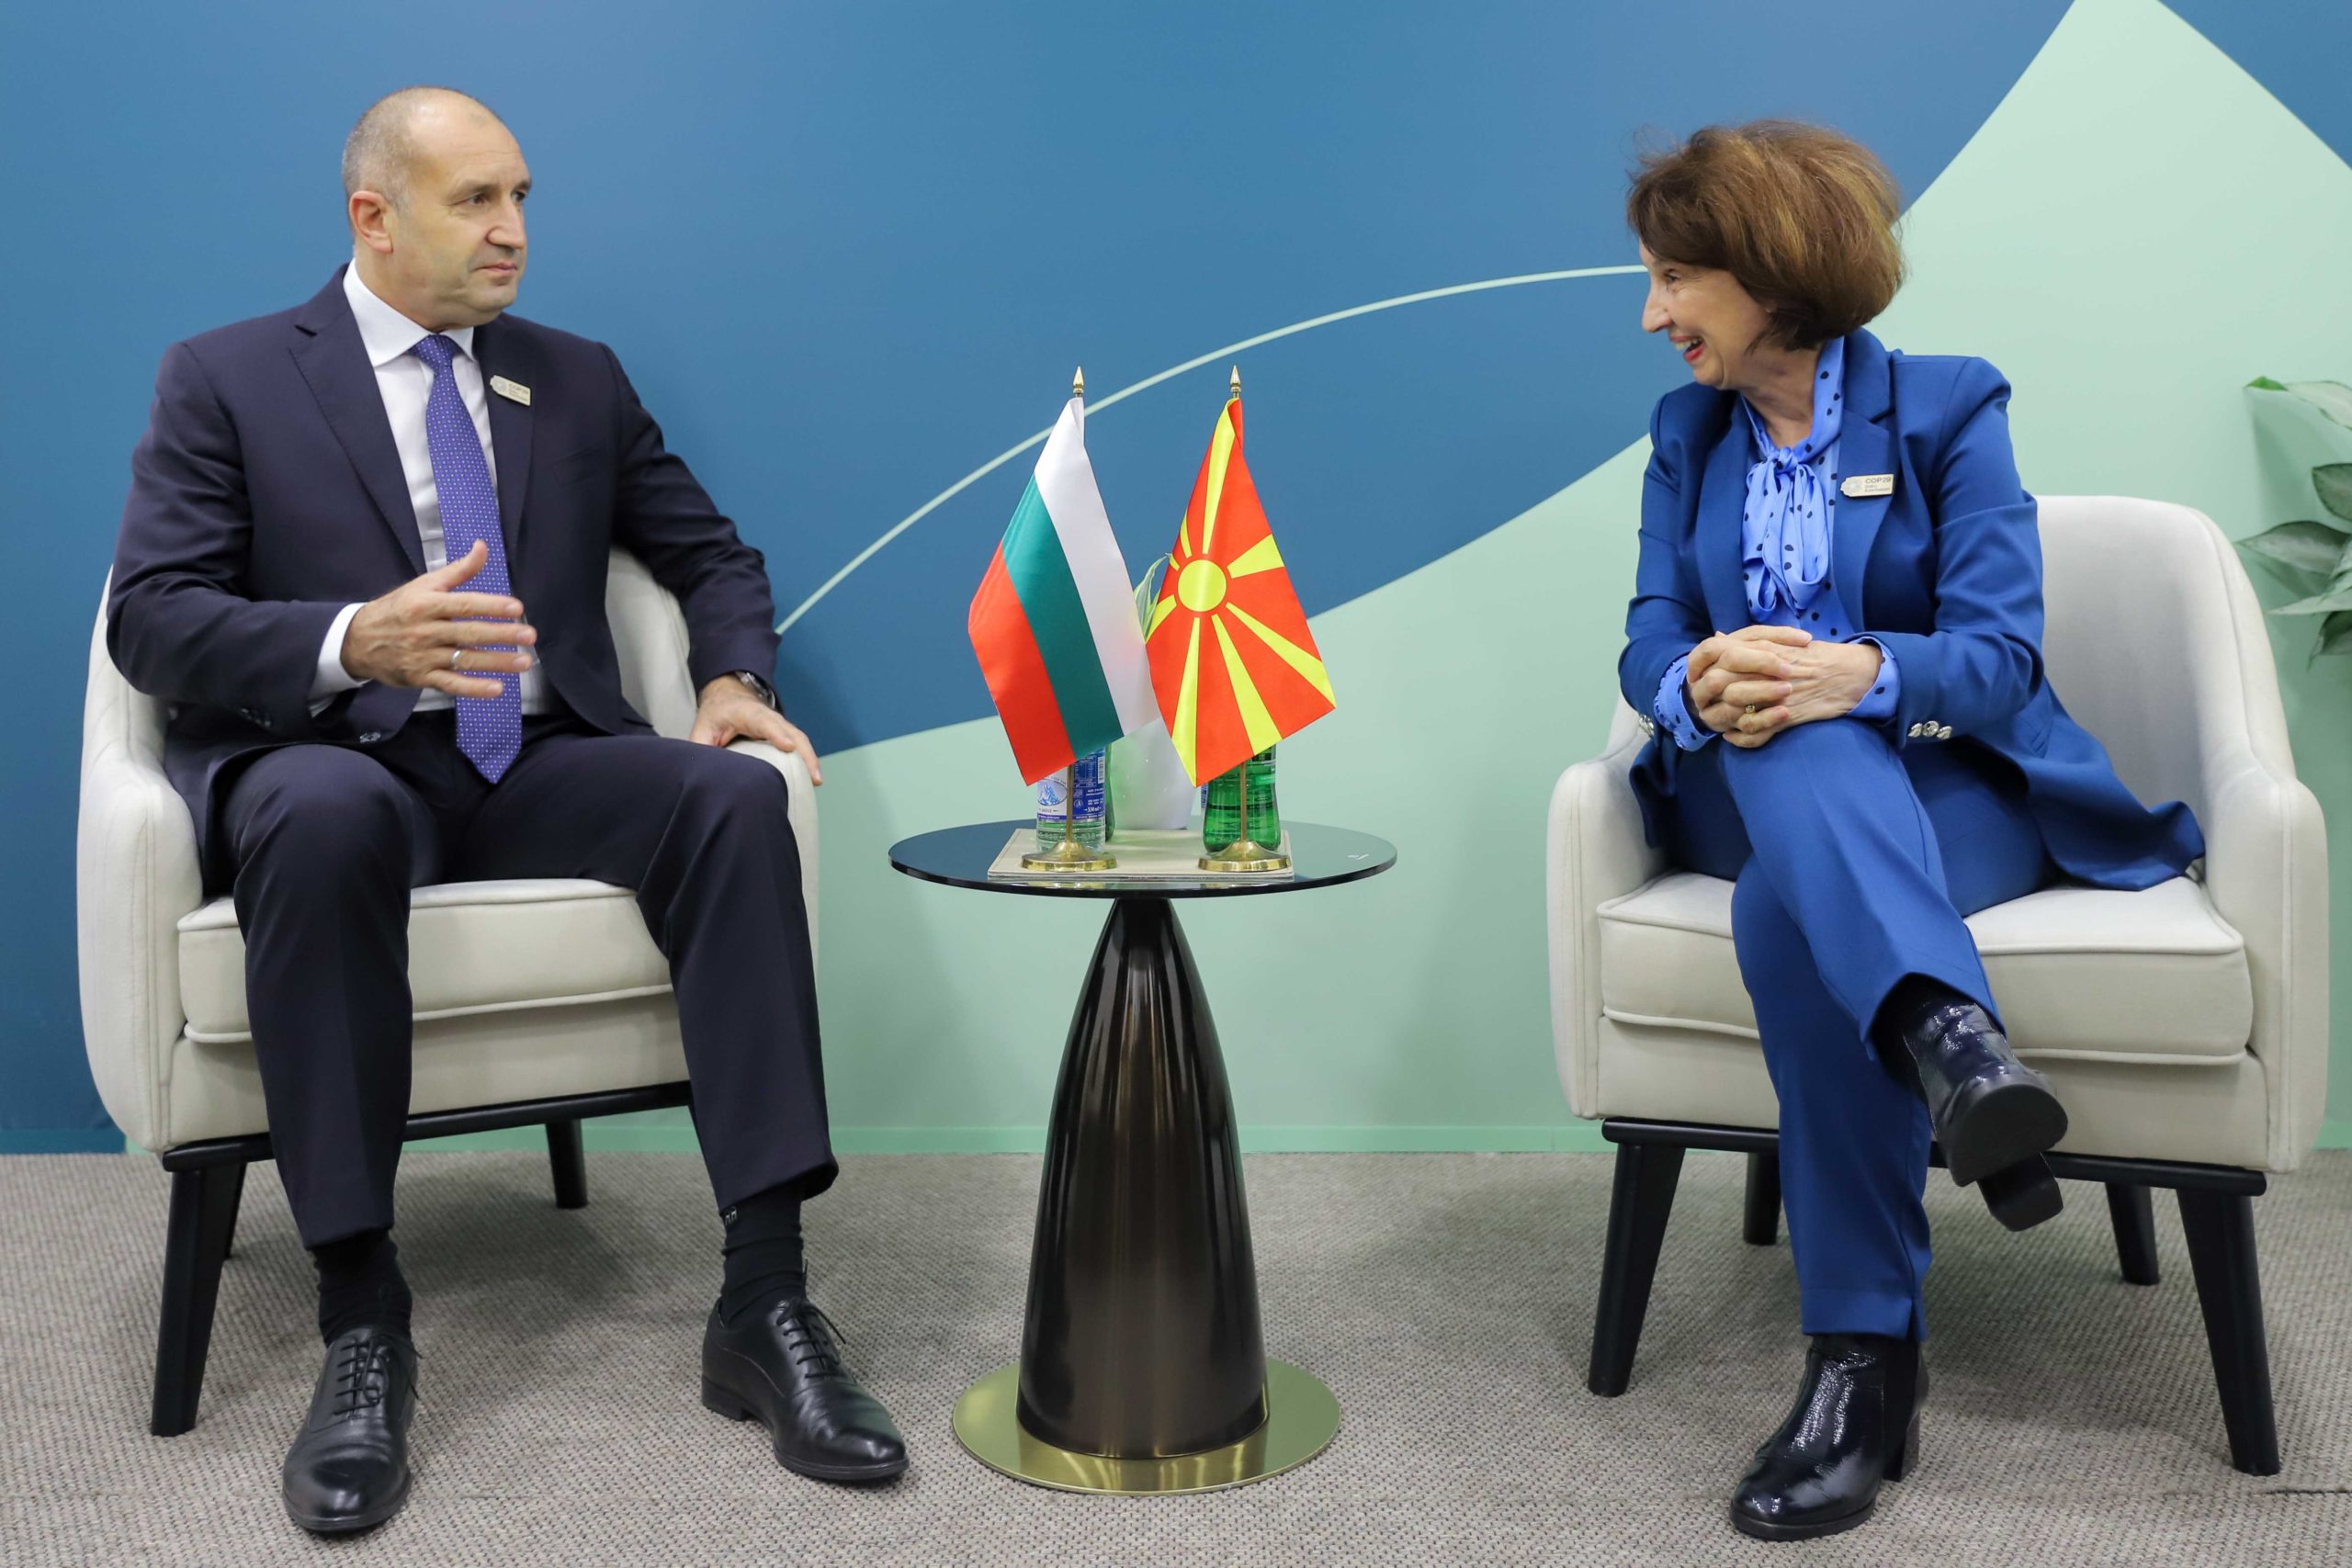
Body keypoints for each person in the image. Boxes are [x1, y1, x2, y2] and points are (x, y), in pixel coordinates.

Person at [107, 86, 907, 1535]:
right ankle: (362, 1316)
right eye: (475, 199)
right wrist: (353, 640)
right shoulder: (228, 377)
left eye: (521, 196)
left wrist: (731, 677)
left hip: (538, 760)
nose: (513, 230)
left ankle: (766, 1298)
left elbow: (709, 552)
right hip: (337, 758)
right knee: (322, 817)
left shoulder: (573, 376)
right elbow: (154, 619)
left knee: (732, 801)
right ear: (375, 217)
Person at [1616, 120, 2201, 1542]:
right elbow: (1648, 636)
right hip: (1751, 787)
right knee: (1789, 734)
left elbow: (1999, 659)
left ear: (1771, 272)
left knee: (1788, 915)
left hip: (1956, 792)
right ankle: (1951, 1042)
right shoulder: (1687, 436)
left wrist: (1858, 670)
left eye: (1676, 275)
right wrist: (1697, 683)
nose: (1651, 313)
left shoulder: (1946, 406)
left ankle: (1863, 1363)